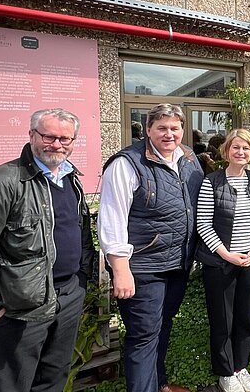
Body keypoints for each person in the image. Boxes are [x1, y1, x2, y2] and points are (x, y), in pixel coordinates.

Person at [0, 108, 95, 392]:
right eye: (49, 136)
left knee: (53, 379)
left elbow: (80, 232)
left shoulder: (70, 178)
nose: (57, 144)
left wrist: (82, 280)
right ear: (31, 135)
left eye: (65, 138)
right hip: (19, 306)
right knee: (10, 385)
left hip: (67, 296)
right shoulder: (0, 182)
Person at [98, 103, 203, 392]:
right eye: (162, 128)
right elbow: (111, 219)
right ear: (147, 130)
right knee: (143, 336)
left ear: (183, 130)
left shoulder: (189, 158)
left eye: (175, 128)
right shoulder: (126, 164)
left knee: (162, 327)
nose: (169, 134)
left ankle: (160, 385)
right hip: (143, 269)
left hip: (177, 263)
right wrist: (120, 270)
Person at [196, 129, 250, 392]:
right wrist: (226, 254)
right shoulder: (211, 181)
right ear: (227, 151)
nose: (241, 152)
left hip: (249, 260)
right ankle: (225, 372)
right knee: (222, 320)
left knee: (245, 317)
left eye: (246, 148)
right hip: (220, 263)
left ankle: (241, 367)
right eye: (236, 147)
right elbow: (203, 223)